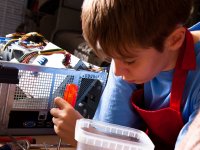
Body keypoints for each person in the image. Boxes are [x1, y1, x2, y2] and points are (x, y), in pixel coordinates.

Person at [50, 0, 200, 149]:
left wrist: (86, 142)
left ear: (175, 40)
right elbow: (109, 136)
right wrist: (91, 136)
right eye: (111, 58)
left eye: (129, 61)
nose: (117, 71)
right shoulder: (129, 53)